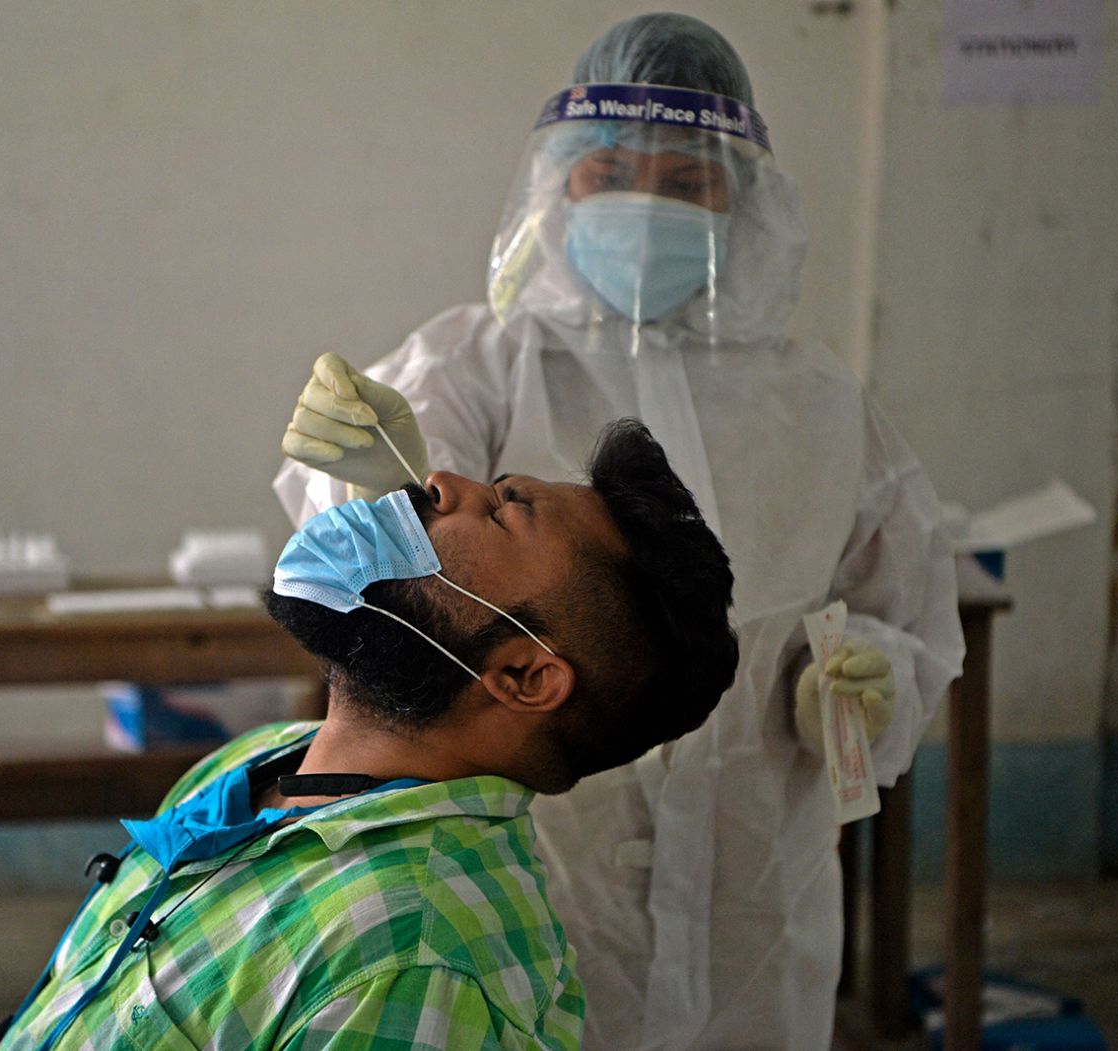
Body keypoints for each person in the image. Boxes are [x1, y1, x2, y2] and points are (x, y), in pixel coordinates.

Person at [275, 12, 965, 1048]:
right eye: (613, 172)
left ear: (741, 200)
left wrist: (874, 676)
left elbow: (906, 607)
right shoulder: (480, 360)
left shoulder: (818, 401)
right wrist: (364, 478)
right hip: (529, 862)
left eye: (686, 181)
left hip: (756, 884)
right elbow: (376, 569)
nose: (648, 201)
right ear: (561, 184)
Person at [0, 419, 738, 1050]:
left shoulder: (416, 960)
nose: (442, 483)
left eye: (504, 510)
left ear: (521, 675)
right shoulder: (262, 760)